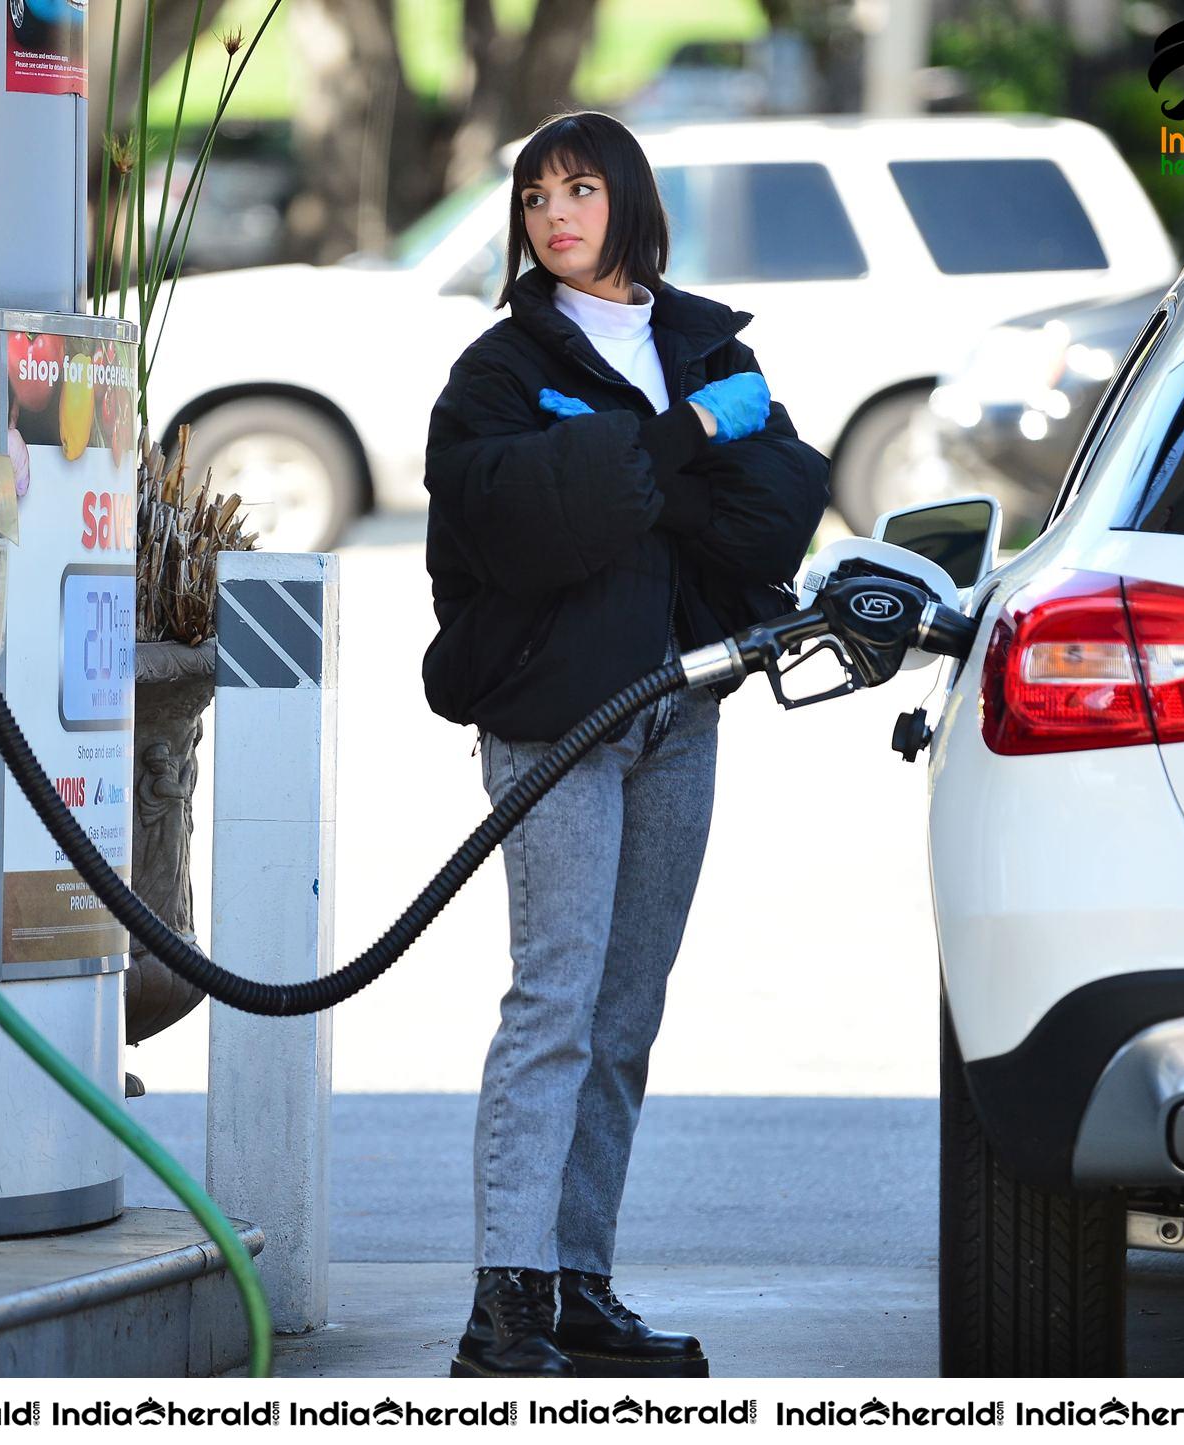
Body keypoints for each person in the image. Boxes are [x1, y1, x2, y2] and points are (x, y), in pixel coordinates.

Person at [421, 109, 830, 1379]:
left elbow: (775, 516)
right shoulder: (496, 371)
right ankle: (506, 1310)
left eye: (581, 189)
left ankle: (580, 1283)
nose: (556, 215)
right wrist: (682, 444)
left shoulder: (700, 340)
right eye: (536, 196)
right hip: (558, 718)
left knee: (624, 1012)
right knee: (553, 1002)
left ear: (628, 201)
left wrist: (645, 470)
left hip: (678, 713)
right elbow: (520, 525)